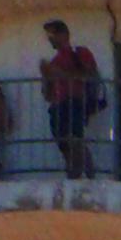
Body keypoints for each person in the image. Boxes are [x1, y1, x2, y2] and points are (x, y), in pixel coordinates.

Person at [39, 19, 103, 177]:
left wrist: (59, 72)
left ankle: (89, 175)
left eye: (53, 34)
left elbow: (89, 76)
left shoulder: (80, 53)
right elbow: (48, 95)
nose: (50, 38)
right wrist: (46, 77)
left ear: (64, 34)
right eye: (49, 35)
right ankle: (73, 174)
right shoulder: (54, 62)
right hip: (58, 106)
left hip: (76, 101)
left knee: (75, 139)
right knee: (64, 143)